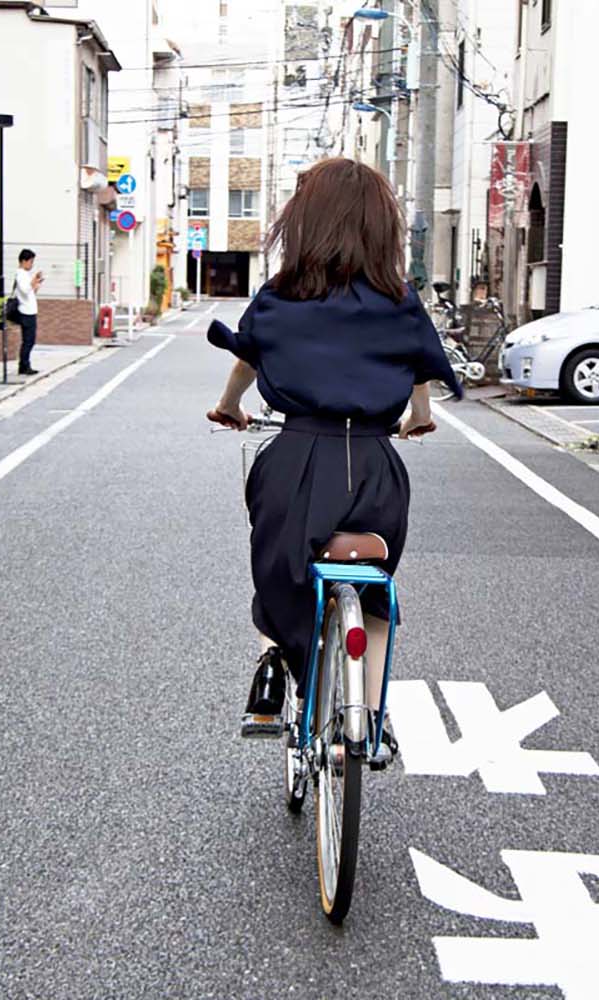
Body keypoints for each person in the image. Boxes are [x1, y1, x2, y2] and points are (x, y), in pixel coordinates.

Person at [205, 157, 464, 733]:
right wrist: (418, 417)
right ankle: (368, 719)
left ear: (304, 221)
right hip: (374, 469)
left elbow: (248, 356)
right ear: (382, 228)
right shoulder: (399, 299)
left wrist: (229, 409)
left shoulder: (281, 295)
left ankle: (273, 663)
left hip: (296, 458)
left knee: (276, 572)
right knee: (373, 594)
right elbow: (419, 370)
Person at [10, 248, 44, 375]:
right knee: (28, 341)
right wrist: (34, 280)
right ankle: (24, 366)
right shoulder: (20, 274)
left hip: (30, 310)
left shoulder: (25, 274)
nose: (32, 264)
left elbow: (31, 292)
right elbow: (25, 290)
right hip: (25, 312)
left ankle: (25, 365)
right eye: (30, 261)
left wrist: (36, 283)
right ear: (24, 261)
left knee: (29, 340)